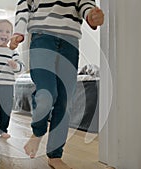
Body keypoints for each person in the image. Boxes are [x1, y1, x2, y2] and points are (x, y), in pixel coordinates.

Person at [10, 0, 104, 168]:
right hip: (42, 37)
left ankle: (55, 155)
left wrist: (92, 15)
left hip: (71, 42)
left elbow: (85, 5)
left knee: (65, 102)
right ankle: (37, 133)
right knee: (46, 95)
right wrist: (18, 32)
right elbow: (24, 5)